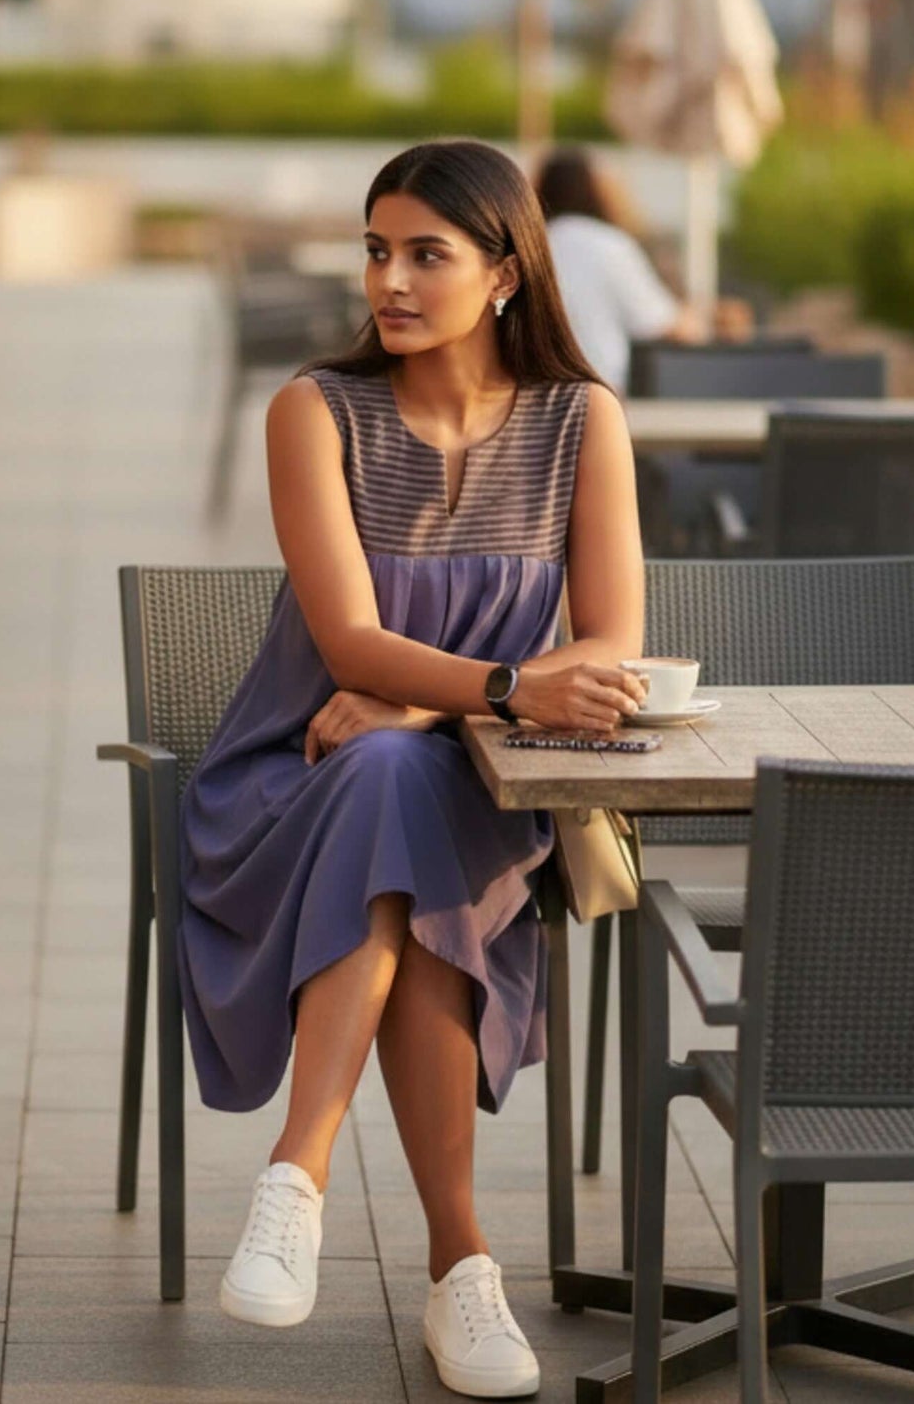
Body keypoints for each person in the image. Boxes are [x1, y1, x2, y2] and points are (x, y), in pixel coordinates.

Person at [178, 139, 647, 1399]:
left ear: (503, 274)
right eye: (375, 249)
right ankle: (453, 1260)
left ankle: (300, 1185)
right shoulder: (314, 412)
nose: (388, 279)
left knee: (406, 786)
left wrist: (429, 713)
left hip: (480, 776)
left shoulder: (577, 421)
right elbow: (345, 645)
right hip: (290, 779)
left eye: (424, 254)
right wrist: (496, 685)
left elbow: (612, 640)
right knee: (389, 793)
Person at [534, 146, 752, 394]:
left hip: (526, 393)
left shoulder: (531, 245)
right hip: (595, 392)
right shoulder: (610, 245)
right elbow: (665, 323)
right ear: (596, 191)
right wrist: (712, 319)